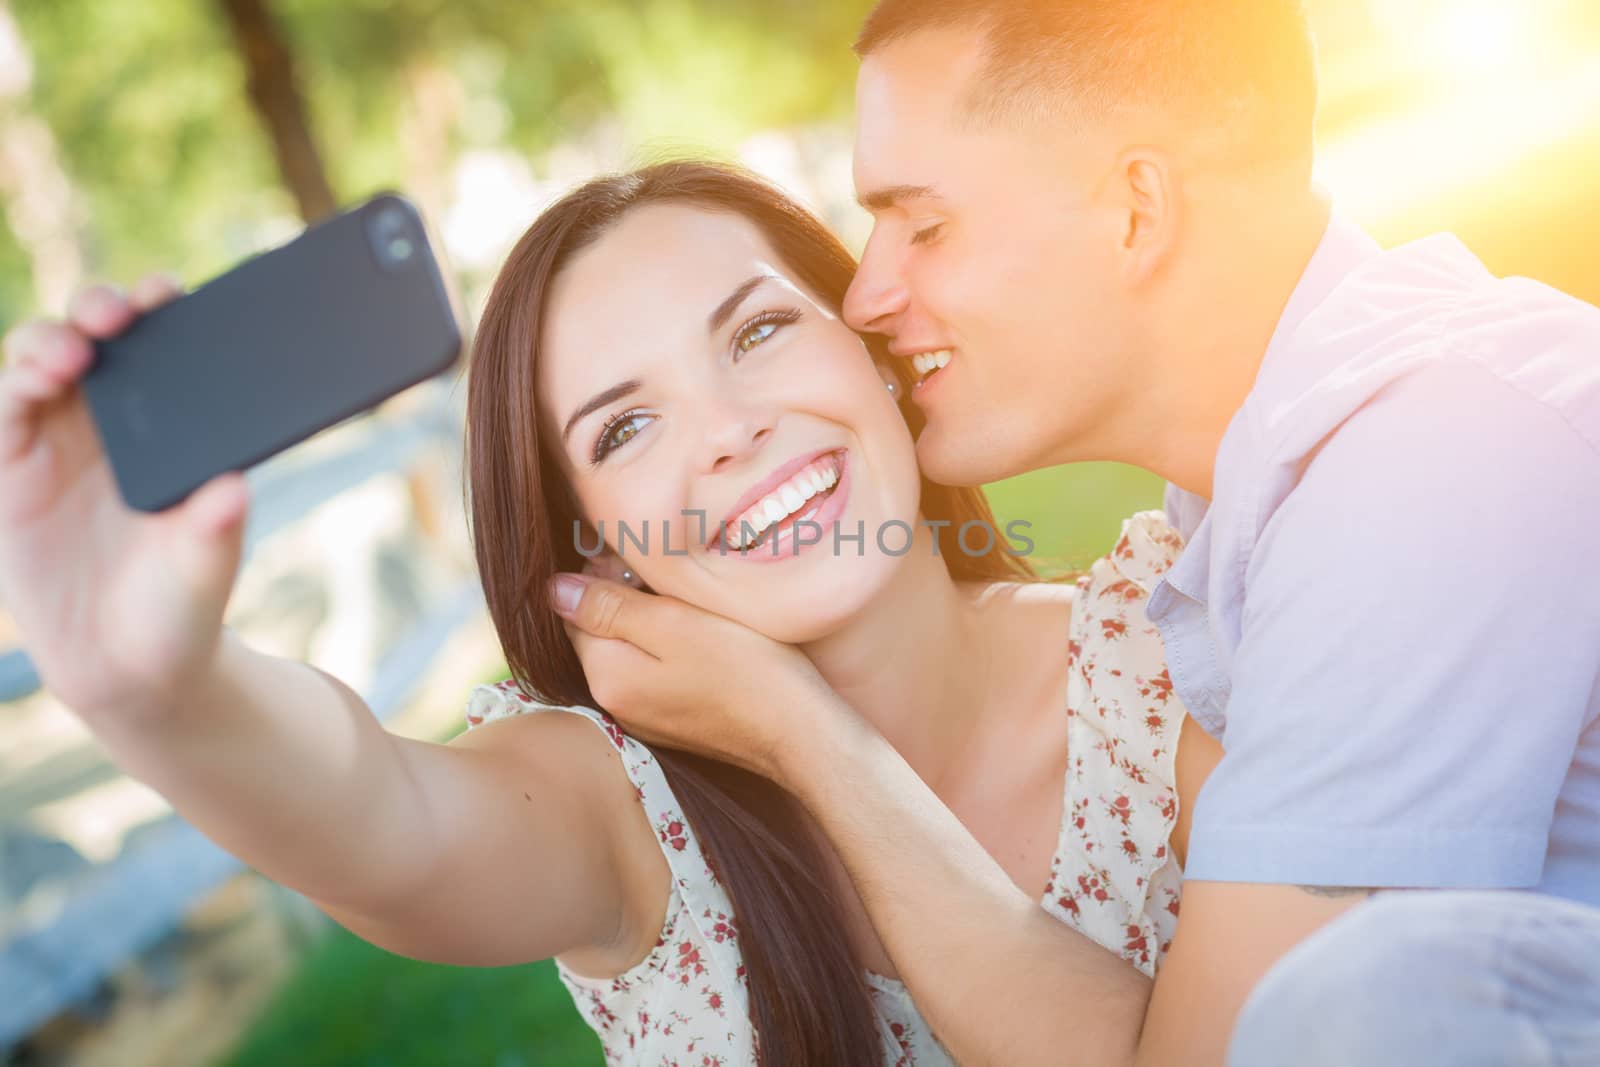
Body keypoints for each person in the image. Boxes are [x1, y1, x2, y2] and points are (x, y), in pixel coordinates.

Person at [551, 3, 1600, 1065]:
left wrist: (805, 734)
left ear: (1136, 208)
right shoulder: (1274, 485)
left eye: (924, 225)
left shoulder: (1424, 472)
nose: (865, 296)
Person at [0, 161, 1222, 1066]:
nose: (731, 431)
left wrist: (813, 737)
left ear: (877, 350)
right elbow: (384, 818)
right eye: (625, 427)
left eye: (757, 330)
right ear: (594, 538)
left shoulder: (1163, 649)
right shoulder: (624, 805)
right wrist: (156, 688)